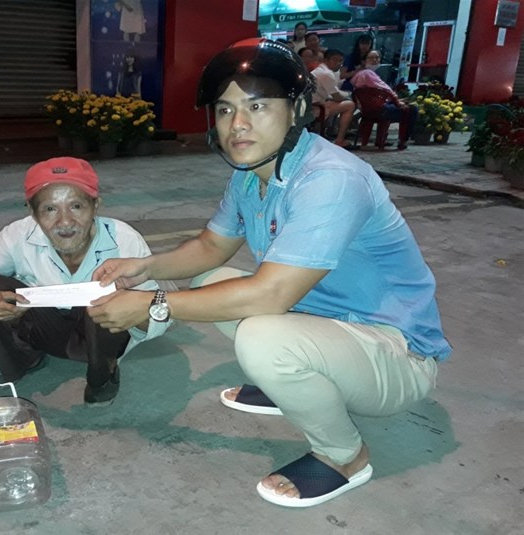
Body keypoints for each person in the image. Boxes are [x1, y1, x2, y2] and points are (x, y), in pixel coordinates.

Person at [87, 39, 451, 507]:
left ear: (297, 109)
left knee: (262, 337)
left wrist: (153, 304)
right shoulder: (251, 173)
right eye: (225, 110)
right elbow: (211, 247)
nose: (237, 124)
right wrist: (144, 267)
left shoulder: (330, 180)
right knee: (211, 284)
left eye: (257, 106)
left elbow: (271, 295)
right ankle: (293, 387)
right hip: (330, 328)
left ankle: (345, 457)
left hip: (398, 355)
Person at [0, 157, 170, 405]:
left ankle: (104, 373)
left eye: (76, 206)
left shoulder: (124, 240)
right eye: (50, 209)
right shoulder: (17, 235)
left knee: (106, 299)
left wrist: (134, 306)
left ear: (95, 206)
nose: (65, 222)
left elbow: (160, 310)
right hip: (45, 327)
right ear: (32, 211)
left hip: (100, 335)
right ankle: (24, 358)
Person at [352, 50, 418, 150]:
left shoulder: (358, 74)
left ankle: (381, 139)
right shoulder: (369, 74)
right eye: (371, 58)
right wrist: (397, 101)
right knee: (412, 109)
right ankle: (403, 141)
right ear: (364, 61)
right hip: (380, 110)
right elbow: (385, 89)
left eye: (377, 57)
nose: (375, 60)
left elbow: (377, 93)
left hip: (368, 110)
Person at [311, 48, 355, 147]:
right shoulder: (326, 74)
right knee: (350, 105)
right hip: (316, 108)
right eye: (334, 60)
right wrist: (348, 95)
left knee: (339, 102)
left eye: (340, 61)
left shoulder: (320, 70)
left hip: (314, 104)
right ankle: (340, 140)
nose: (338, 63)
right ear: (326, 60)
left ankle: (329, 132)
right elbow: (337, 97)